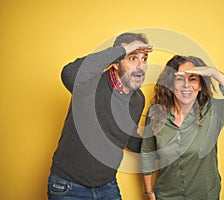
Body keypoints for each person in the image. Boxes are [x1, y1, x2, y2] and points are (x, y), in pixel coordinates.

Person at [48, 32, 153, 199]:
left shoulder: (138, 99)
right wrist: (122, 50)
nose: (141, 65)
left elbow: (130, 139)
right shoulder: (89, 83)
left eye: (144, 58)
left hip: (107, 186)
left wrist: (161, 142)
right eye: (133, 58)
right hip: (68, 187)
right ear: (116, 63)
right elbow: (68, 74)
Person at [140, 55, 224, 200]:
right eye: (180, 79)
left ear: (200, 86)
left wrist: (213, 72)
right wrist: (149, 192)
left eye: (193, 79)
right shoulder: (156, 113)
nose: (186, 85)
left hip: (205, 195)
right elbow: (147, 152)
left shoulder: (213, 111)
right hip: (166, 196)